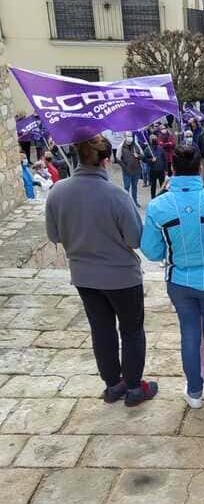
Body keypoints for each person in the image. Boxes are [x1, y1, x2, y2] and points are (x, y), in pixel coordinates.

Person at [45, 135, 157, 406]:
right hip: (121, 276)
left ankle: (113, 384)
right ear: (107, 160)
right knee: (131, 330)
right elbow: (134, 239)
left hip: (84, 275)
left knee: (101, 329)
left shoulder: (58, 192)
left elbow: (54, 235)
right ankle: (133, 387)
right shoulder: (117, 196)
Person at [140, 145, 204, 410]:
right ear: (200, 167)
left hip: (178, 279)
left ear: (173, 168)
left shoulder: (158, 206)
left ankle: (193, 392)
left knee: (188, 334)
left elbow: (152, 250)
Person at [117, 131, 144, 208]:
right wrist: (125, 167)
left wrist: (138, 156)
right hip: (127, 172)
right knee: (127, 187)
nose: (129, 138)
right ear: (125, 137)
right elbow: (118, 159)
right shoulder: (121, 146)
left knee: (134, 186)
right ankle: (126, 202)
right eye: (128, 136)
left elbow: (142, 155)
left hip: (136, 170)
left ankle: (135, 201)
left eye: (130, 136)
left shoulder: (136, 145)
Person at [143, 134, 167, 199]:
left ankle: (163, 199)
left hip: (161, 170)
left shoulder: (161, 148)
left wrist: (166, 169)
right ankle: (153, 199)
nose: (154, 140)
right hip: (152, 170)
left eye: (155, 139)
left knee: (163, 186)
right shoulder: (147, 149)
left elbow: (165, 159)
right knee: (153, 186)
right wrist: (151, 160)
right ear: (150, 140)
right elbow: (144, 159)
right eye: (152, 139)